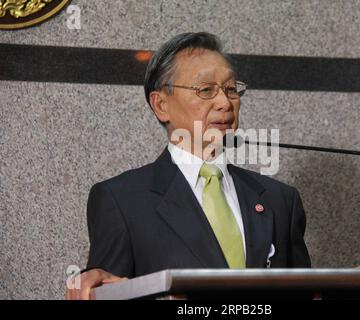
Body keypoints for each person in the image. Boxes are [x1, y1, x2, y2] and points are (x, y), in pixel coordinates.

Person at [66, 32, 310, 300]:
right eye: (206, 90)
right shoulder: (121, 201)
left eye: (231, 89)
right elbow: (109, 290)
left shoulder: (280, 199)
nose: (225, 103)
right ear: (161, 105)